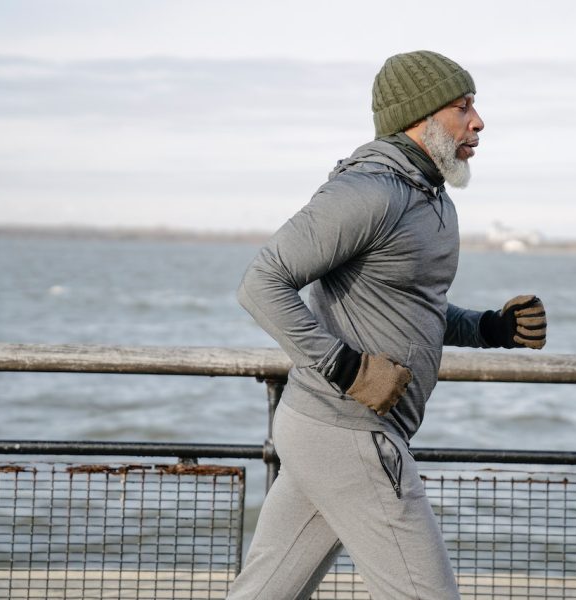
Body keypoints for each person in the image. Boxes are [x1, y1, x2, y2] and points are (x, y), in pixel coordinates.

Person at [228, 50, 547, 600]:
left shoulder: (432, 199)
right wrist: (346, 368)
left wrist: (489, 328)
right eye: (462, 107)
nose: (478, 122)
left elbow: (413, 307)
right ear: (420, 117)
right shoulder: (369, 191)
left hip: (330, 433)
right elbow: (261, 283)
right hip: (349, 430)